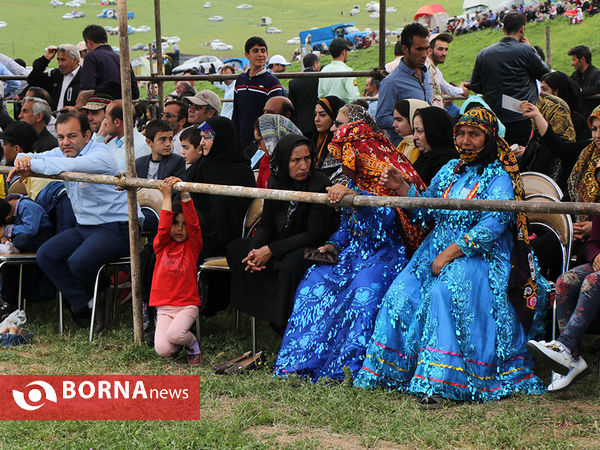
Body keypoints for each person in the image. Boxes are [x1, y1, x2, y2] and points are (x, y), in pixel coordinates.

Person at [355, 107, 549, 406]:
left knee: (445, 291)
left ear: (489, 138)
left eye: (474, 134)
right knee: (400, 293)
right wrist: (404, 188)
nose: (466, 140)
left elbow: (493, 226)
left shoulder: (500, 177)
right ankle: (390, 372)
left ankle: (443, 381)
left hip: (481, 256)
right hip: (434, 251)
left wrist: (449, 254)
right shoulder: (449, 169)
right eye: (461, 133)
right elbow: (427, 211)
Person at [273, 107, 427, 381]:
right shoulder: (353, 180)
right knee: (314, 282)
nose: (341, 162)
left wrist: (358, 197)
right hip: (352, 253)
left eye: (344, 155)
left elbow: (388, 222)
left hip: (386, 255)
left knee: (362, 292)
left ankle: (344, 368)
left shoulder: (387, 176)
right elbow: (347, 226)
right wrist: (333, 244)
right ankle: (299, 362)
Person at [8, 113, 143, 327]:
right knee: (46, 254)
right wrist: (23, 160)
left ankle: (97, 298)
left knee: (78, 261)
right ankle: (86, 303)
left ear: (87, 135)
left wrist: (32, 164)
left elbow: (63, 165)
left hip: (118, 226)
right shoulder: (65, 153)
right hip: (86, 227)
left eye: (72, 136)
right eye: (61, 137)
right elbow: (31, 156)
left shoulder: (100, 154)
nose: (65, 143)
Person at [226, 134, 336, 332]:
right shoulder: (276, 181)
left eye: (307, 158)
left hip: (313, 247)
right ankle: (255, 309)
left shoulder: (319, 184)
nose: (304, 166)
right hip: (281, 241)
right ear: (285, 160)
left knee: (288, 267)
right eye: (296, 160)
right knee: (238, 250)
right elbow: (267, 223)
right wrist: (255, 252)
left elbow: (314, 233)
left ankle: (280, 322)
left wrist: (270, 250)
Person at [470, 12, 549, 145]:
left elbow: (476, 86)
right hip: (523, 116)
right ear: (522, 29)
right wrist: (531, 49)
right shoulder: (526, 51)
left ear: (503, 28)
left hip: (494, 117)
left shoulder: (484, 54)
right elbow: (545, 75)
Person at [185, 116, 256, 261]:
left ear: (221, 138)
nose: (202, 143)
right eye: (201, 137)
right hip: (194, 233)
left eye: (207, 138)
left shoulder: (242, 172)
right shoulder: (200, 166)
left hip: (226, 240)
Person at [150, 177, 203, 365]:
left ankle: (192, 343)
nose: (180, 228)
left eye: (183, 224)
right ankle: (178, 341)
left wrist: (184, 193)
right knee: (162, 350)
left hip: (186, 305)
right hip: (164, 307)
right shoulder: (161, 246)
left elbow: (194, 226)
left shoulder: (192, 246)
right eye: (175, 223)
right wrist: (166, 196)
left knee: (175, 333)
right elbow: (163, 226)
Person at [376, 24, 433, 146]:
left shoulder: (426, 72)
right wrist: (408, 123)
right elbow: (381, 118)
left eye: (426, 48)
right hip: (403, 149)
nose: (424, 54)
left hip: (427, 144)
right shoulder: (391, 82)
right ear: (405, 49)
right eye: (419, 49)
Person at [232, 36, 284, 147]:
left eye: (263, 51)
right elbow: (236, 112)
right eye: (255, 51)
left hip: (261, 142)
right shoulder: (240, 80)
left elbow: (275, 116)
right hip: (241, 140)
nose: (260, 54)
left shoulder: (272, 82)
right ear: (247, 55)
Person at [78, 24, 139, 100]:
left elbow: (87, 89)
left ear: (89, 42)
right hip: (123, 107)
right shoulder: (121, 58)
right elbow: (135, 92)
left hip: (101, 108)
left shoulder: (91, 57)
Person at [410, 106, 458, 185]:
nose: (415, 137)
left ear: (434, 131)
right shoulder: (424, 158)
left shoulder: (447, 166)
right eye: (414, 131)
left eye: (419, 131)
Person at [27, 44, 81, 111]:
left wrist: (76, 110)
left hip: (74, 120)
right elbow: (33, 80)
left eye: (63, 60)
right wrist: (46, 58)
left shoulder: (85, 77)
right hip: (53, 119)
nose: (60, 64)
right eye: (58, 60)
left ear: (75, 60)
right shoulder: (55, 75)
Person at [103, 100, 151, 171]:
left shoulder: (142, 146)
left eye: (106, 118)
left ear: (117, 122)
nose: (104, 123)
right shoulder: (111, 143)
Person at [541, 71, 590, 141]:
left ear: (557, 92)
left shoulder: (575, 121)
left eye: (545, 89)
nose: (541, 94)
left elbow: (565, 148)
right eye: (541, 89)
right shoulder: (546, 115)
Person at [425, 34, 469, 108]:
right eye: (440, 49)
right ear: (430, 50)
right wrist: (461, 91)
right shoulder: (425, 68)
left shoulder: (435, 69)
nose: (444, 53)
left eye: (446, 49)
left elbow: (446, 87)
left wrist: (461, 90)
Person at [312, 96, 346, 182]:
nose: (316, 119)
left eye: (322, 115)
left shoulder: (340, 144)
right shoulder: (314, 138)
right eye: (315, 114)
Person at [318, 38, 360, 104]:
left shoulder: (324, 70)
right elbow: (354, 96)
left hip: (327, 109)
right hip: (343, 110)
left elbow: (320, 95)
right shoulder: (348, 71)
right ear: (343, 52)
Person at [289, 53, 320, 138]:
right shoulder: (320, 79)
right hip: (318, 122)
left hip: (300, 124)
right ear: (315, 64)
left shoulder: (293, 82)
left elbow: (292, 104)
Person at [392, 99, 429, 164]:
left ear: (412, 118)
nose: (394, 124)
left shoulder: (424, 148)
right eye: (394, 120)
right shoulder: (403, 145)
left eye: (399, 120)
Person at [568, 45, 600, 118]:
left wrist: (581, 91)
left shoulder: (596, 74)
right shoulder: (575, 75)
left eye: (574, 60)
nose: (572, 63)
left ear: (582, 59)